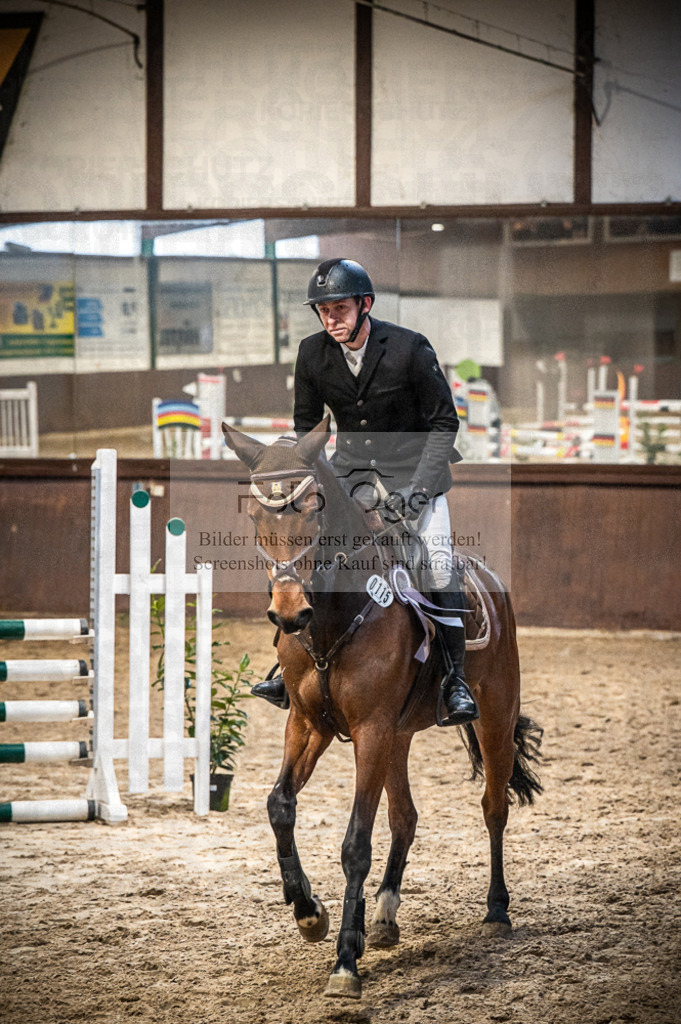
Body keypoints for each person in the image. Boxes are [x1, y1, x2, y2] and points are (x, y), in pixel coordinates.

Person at [252, 258, 478, 726]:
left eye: (339, 308)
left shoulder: (410, 349)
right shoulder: (312, 353)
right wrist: (306, 483)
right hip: (349, 477)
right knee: (308, 553)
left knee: (435, 562)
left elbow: (444, 423)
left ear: (364, 304)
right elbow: (305, 428)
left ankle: (454, 678)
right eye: (323, 310)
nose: (331, 318)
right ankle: (285, 665)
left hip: (416, 478)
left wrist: (419, 491)